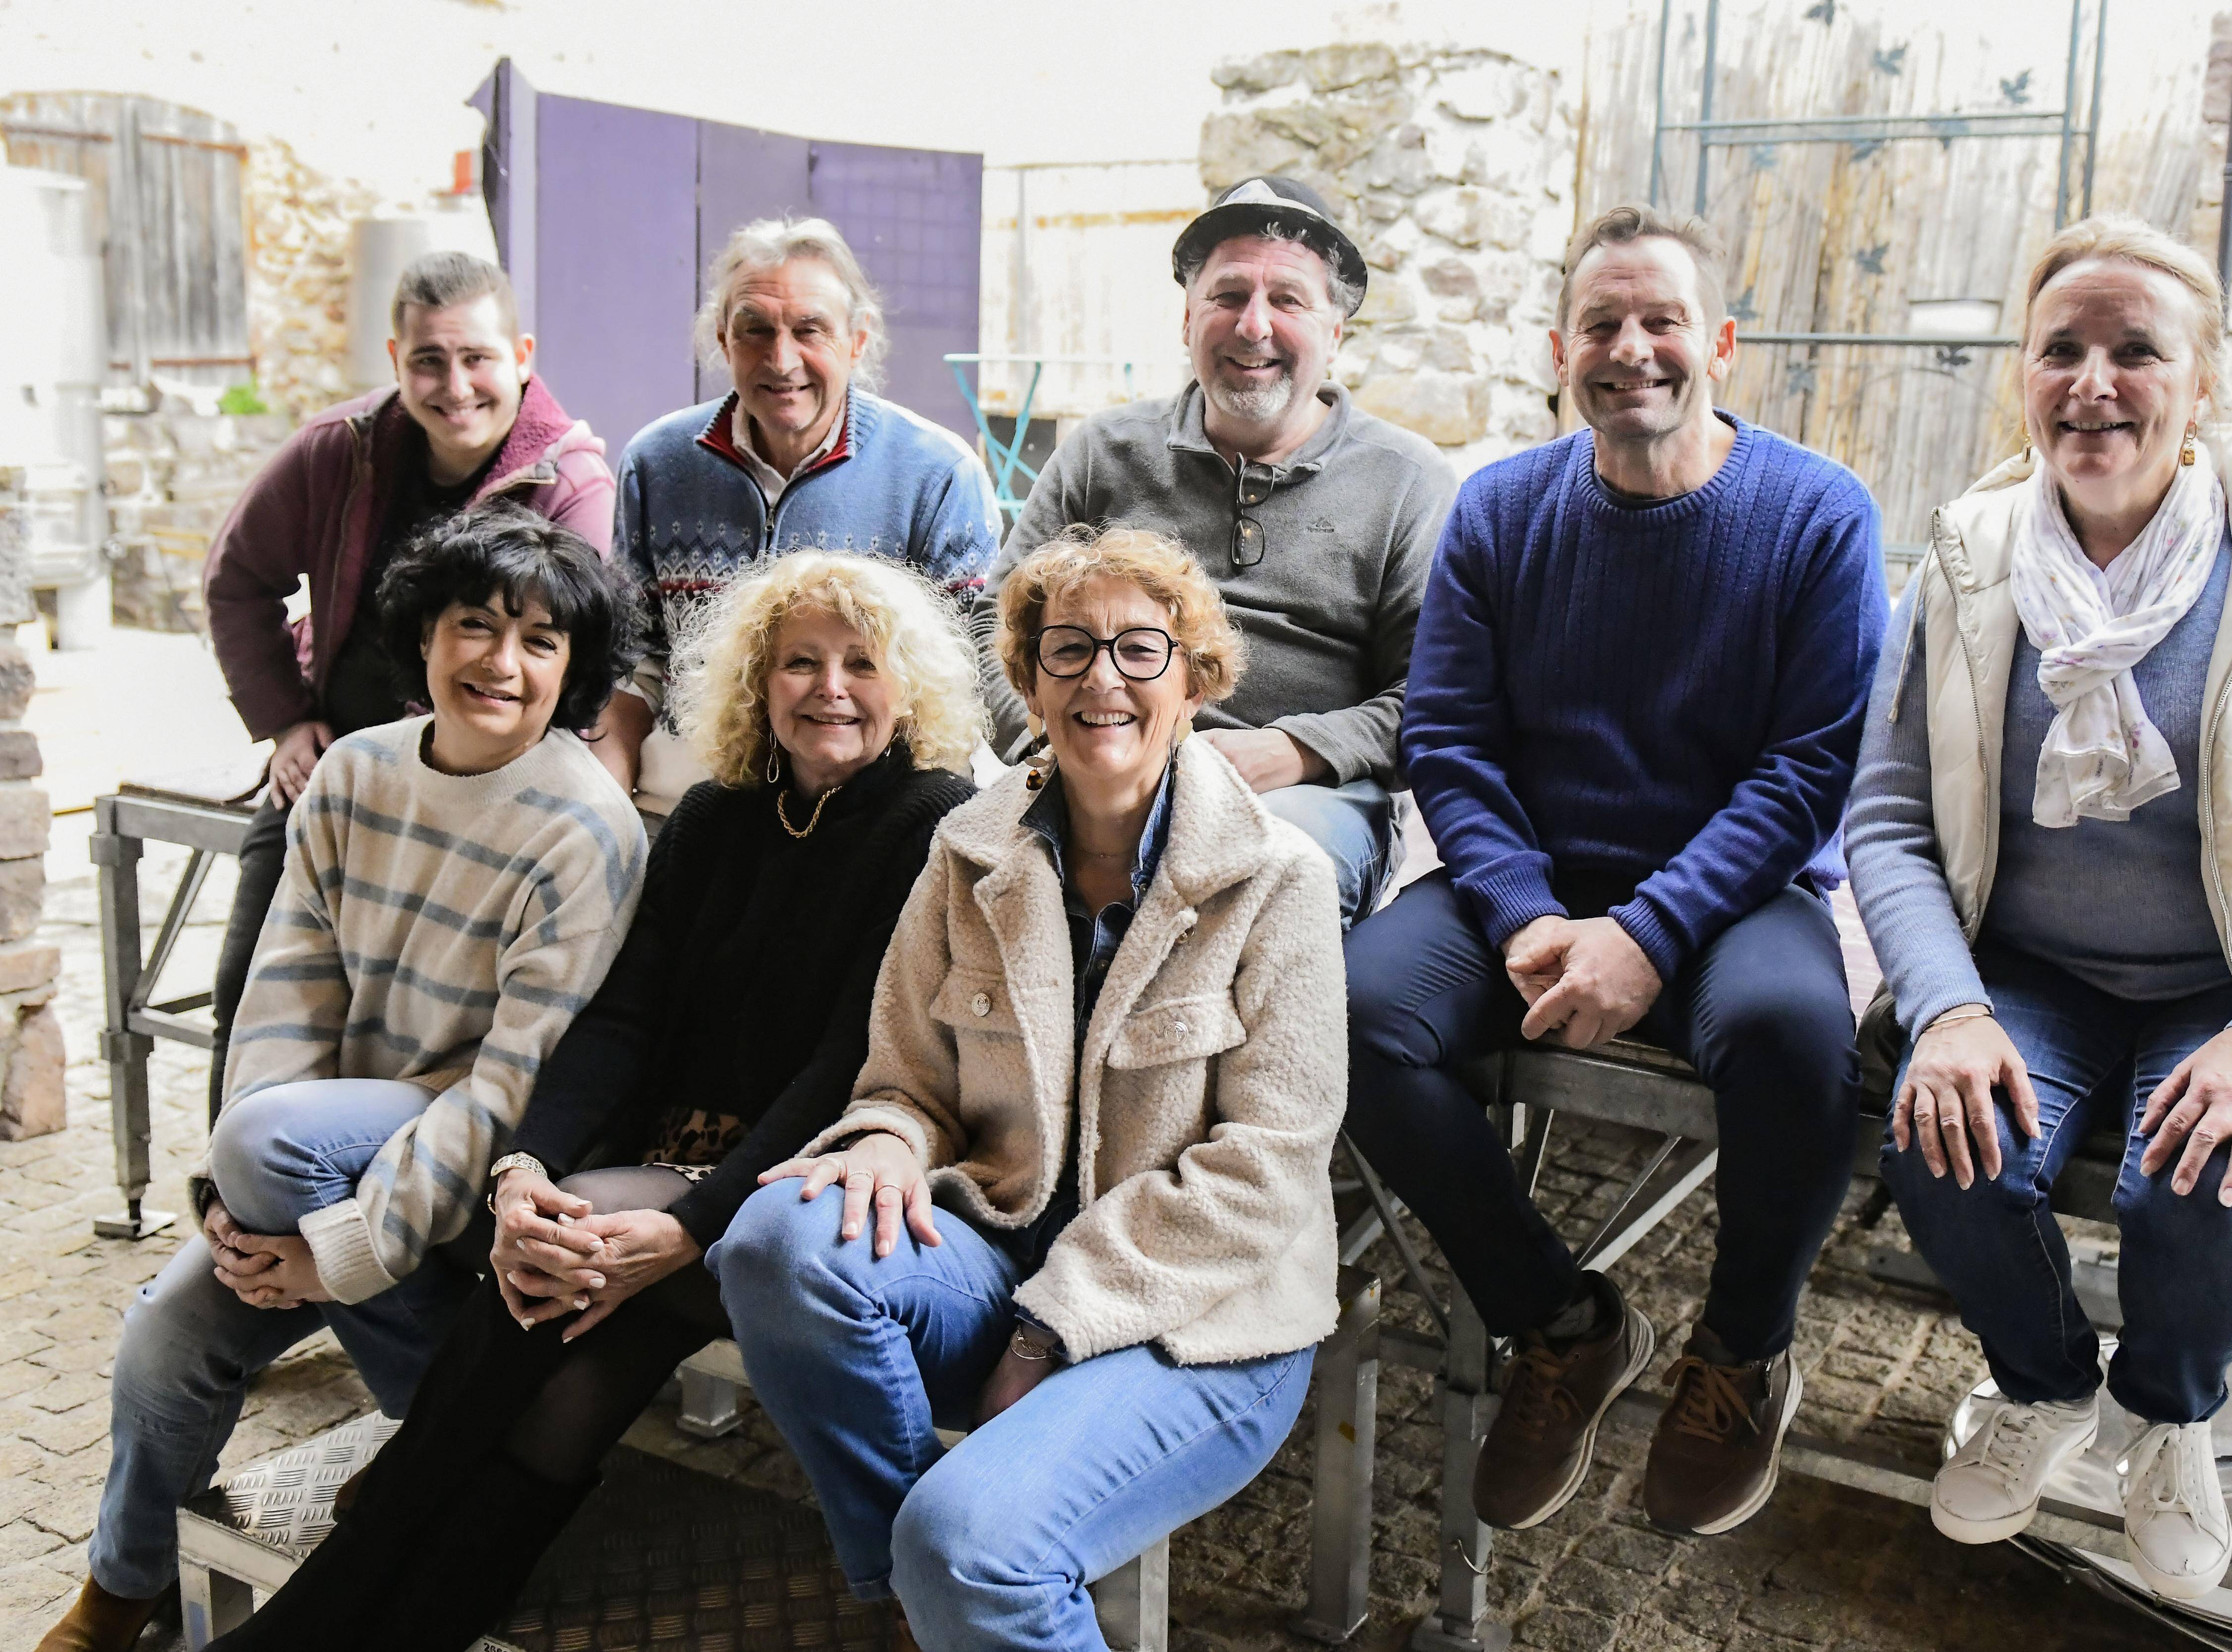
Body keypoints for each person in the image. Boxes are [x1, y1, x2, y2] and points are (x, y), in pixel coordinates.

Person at [202, 551, 982, 1652]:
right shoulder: (715, 817)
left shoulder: (934, 821)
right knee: (558, 1397)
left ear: (908, 685)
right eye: (799, 661)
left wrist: (681, 1225)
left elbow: (848, 1064)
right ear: (758, 679)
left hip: (781, 1209)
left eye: (862, 662)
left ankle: (338, 1586)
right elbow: (618, 1021)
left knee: (547, 1275)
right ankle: (409, 1606)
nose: (830, 687)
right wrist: (523, 1167)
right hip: (651, 1195)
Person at [1846, 214, 2232, 1600]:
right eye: (2062, 349)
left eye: (2136, 350)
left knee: (2215, 1186)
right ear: (2024, 377)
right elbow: (1886, 819)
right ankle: (2045, 1384)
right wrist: (1945, 1005)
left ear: (2202, 384)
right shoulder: (1965, 561)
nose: (2093, 381)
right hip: (2031, 962)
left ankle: (2170, 1410)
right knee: (1941, 1144)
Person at [1345, 204, 1887, 1539]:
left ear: (1723, 343)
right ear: (1560, 347)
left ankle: (1743, 1346)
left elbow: (1809, 768)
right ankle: (1564, 1321)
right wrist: (1530, 909)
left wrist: (1646, 931)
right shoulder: (1502, 510)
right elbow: (1454, 743)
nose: (1632, 349)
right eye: (1603, 325)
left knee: (1795, 1037)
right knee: (1343, 1014)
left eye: (1662, 322)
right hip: (1523, 878)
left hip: (1733, 894)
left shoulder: (1819, 515)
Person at [709, 527, 1348, 1652]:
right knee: (773, 1243)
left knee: (973, 1545)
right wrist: (887, 1140)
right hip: (996, 1253)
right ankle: (912, 1600)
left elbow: (1265, 1172)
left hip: (1197, 1316)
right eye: (1070, 649)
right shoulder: (966, 855)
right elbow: (904, 1076)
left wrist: (1050, 1328)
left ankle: (946, 1575)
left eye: (1141, 650)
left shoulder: (1276, 878)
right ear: (1028, 678)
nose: (1104, 677)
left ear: (1196, 680)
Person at [41, 509, 644, 1652]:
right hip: (311, 1150)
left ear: (572, 669)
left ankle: (433, 1442)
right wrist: (245, 1205)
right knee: (168, 1335)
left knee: (269, 1152)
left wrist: (343, 1250)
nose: (501, 664)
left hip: (463, 1163)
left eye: (539, 641)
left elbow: (509, 1088)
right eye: (475, 625)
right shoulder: (355, 774)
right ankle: (123, 1593)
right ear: (424, 634)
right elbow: (287, 997)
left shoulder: (587, 830)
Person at [201, 250, 621, 1117]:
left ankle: (367, 1222)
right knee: (251, 991)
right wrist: (286, 721)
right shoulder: (338, 453)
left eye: (477, 358)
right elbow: (236, 577)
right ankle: (233, 1216)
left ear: (524, 355)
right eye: (429, 360)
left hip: (474, 792)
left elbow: (559, 657)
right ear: (396, 360)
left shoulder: (572, 484)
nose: (455, 385)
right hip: (325, 772)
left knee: (414, 1030)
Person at [975, 176, 1457, 924]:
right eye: (1228, 296)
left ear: (1337, 332)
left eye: (1289, 300)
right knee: (961, 852)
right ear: (1188, 318)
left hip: (1300, 799)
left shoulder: (1407, 483)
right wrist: (1049, 742)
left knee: (1253, 875)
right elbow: (993, 627)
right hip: (1091, 760)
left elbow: (1433, 697)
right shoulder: (1103, 454)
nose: (1254, 326)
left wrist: (1297, 750)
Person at [604, 214, 1003, 815]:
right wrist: (607, 810)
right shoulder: (657, 464)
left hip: (866, 809)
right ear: (722, 339)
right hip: (687, 802)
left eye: (809, 330)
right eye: (755, 330)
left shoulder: (936, 474)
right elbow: (631, 665)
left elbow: (969, 684)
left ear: (857, 340)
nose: (781, 360)